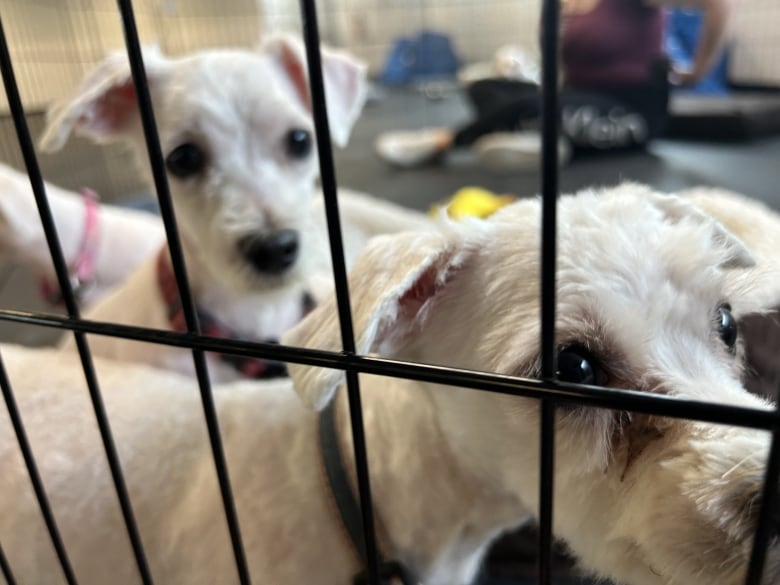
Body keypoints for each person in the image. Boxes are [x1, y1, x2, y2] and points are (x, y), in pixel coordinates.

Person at [375, 0, 737, 170]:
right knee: (485, 87)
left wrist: (696, 72)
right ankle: (549, 143)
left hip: (630, 116)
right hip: (574, 100)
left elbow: (720, 4)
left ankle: (444, 141)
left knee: (538, 108)